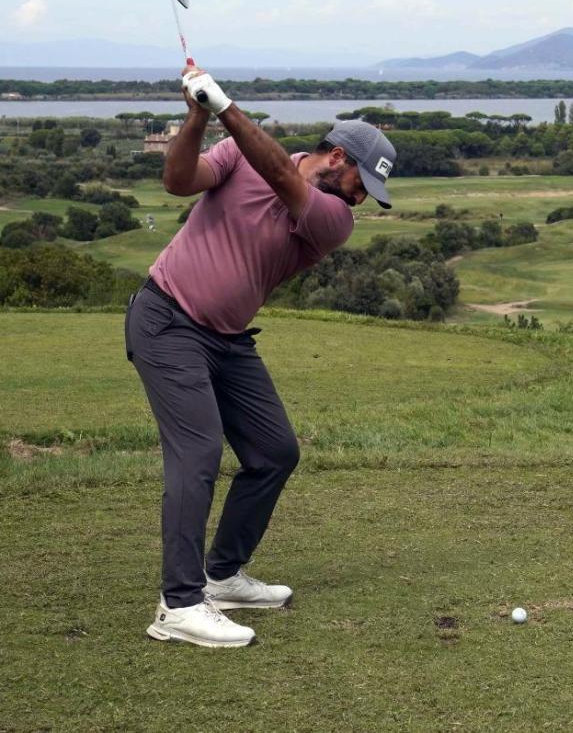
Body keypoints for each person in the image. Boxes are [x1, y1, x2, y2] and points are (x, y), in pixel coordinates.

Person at [125, 67, 396, 649]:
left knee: (274, 452)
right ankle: (179, 605)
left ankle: (222, 576)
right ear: (338, 157)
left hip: (226, 339)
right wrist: (197, 117)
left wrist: (224, 106)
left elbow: (278, 173)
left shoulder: (334, 219)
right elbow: (178, 180)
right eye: (362, 184)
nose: (361, 200)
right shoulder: (236, 154)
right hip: (167, 320)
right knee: (198, 452)